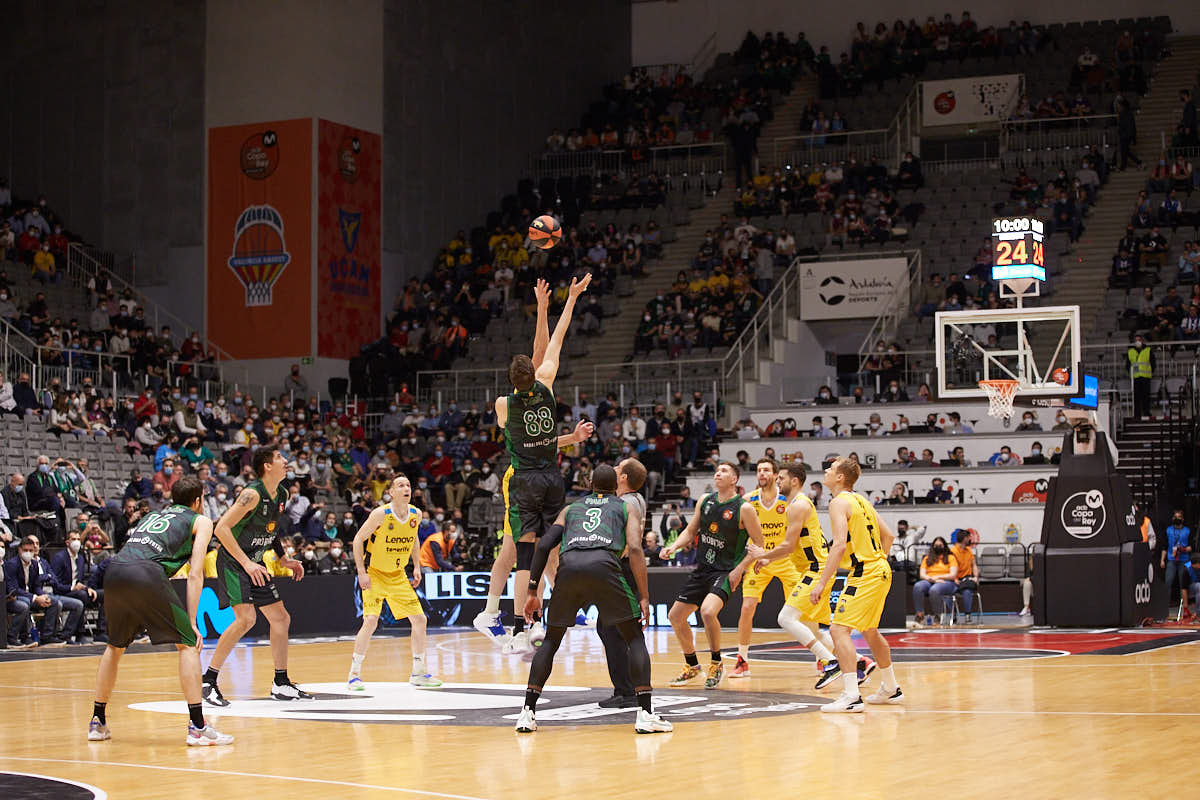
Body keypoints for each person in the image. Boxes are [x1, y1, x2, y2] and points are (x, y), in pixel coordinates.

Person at [473, 276, 593, 655]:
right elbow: (552, 344)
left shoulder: (504, 406)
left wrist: (542, 306)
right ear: (535, 374)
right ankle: (513, 618)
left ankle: (524, 623)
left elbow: (539, 354)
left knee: (527, 552)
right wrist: (566, 300)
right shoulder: (547, 384)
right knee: (532, 550)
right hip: (549, 475)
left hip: (524, 477)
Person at [515, 465, 671, 735]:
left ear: (590, 483)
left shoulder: (570, 509)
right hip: (604, 566)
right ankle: (645, 714)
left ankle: (527, 712)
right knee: (634, 637)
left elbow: (542, 546)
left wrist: (531, 592)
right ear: (615, 486)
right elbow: (634, 547)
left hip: (570, 567)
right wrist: (644, 596)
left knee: (551, 641)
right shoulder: (625, 507)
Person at [87, 477, 233, 746]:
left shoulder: (155, 514)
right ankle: (198, 727)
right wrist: (191, 620)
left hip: (116, 569)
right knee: (188, 644)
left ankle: (98, 721)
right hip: (146, 573)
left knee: (114, 647)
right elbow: (196, 573)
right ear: (198, 500)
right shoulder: (200, 521)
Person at [748, 463, 874, 690]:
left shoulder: (799, 505)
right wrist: (768, 559)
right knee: (813, 628)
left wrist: (763, 554)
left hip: (817, 569)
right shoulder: (795, 505)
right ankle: (859, 662)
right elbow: (792, 546)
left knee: (785, 618)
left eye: (782, 478)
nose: (778, 482)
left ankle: (831, 661)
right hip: (813, 568)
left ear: (794, 481)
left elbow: (787, 545)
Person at [201, 448, 311, 707]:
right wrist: (247, 563)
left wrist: (283, 558)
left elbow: (271, 530)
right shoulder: (251, 494)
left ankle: (281, 682)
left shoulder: (282, 494)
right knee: (246, 619)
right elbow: (221, 529)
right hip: (234, 561)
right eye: (280, 458)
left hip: (255, 562)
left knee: (281, 618)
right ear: (267, 466)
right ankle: (208, 680)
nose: (286, 461)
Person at [807, 457, 903, 712]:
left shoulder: (838, 502)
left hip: (865, 573)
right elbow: (889, 535)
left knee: (838, 630)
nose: (826, 470)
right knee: (870, 630)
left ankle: (851, 696)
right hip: (880, 570)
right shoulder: (863, 501)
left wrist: (821, 584)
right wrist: (878, 559)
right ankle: (891, 689)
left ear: (840, 477)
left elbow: (838, 545)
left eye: (831, 469)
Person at [660, 461, 764, 689]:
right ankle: (692, 666)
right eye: (717, 470)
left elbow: (759, 544)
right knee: (675, 616)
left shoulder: (744, 508)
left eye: (724, 471)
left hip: (726, 571)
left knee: (707, 612)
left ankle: (716, 662)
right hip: (703, 569)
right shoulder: (705, 501)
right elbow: (690, 531)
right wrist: (673, 547)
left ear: (734, 479)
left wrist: (740, 569)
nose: (718, 473)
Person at [347, 474, 442, 690]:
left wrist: (416, 566)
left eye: (408, 484)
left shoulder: (416, 514)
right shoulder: (381, 514)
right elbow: (358, 540)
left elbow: (414, 538)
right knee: (370, 621)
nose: (406, 488)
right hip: (375, 573)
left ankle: (418, 672)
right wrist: (361, 572)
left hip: (398, 575)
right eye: (400, 485)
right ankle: (354, 674)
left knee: (419, 620)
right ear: (391, 492)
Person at [729, 458, 802, 678]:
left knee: (803, 610)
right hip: (757, 560)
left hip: (784, 558)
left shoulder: (787, 499)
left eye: (767, 470)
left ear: (775, 474)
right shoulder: (748, 500)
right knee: (747, 607)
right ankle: (742, 661)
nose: (762, 473)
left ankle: (822, 659)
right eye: (759, 470)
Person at [913, 537, 958, 626]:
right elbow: (922, 574)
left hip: (947, 582)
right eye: (936, 545)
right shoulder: (926, 558)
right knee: (918, 586)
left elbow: (953, 574)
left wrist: (938, 577)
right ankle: (920, 614)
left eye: (940, 545)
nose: (938, 547)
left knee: (934, 590)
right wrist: (931, 579)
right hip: (930, 580)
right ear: (932, 547)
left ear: (944, 546)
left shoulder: (951, 557)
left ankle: (938, 615)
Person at [1163, 511, 1192, 618]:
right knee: (1168, 582)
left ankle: (1185, 608)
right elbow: (1165, 546)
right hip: (1171, 559)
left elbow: (1191, 547)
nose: (1177, 518)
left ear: (1182, 519)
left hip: (1184, 559)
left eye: (1179, 517)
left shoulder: (1187, 531)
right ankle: (1164, 607)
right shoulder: (1168, 530)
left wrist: (1183, 549)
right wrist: (1162, 560)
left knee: (1183, 584)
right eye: (1175, 517)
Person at [950, 534, 979, 619]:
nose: (970, 539)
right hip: (956, 579)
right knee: (948, 591)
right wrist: (954, 579)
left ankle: (967, 614)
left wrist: (976, 576)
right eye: (969, 538)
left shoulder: (969, 550)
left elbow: (974, 565)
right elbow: (950, 567)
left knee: (967, 590)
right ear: (964, 539)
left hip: (967, 578)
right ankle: (953, 613)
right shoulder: (953, 551)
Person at [1128, 334, 1154, 418]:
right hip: (1136, 377)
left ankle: (1146, 412)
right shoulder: (1131, 351)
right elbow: (1128, 365)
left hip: (1145, 377)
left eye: (1139, 340)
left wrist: (1150, 371)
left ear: (1142, 341)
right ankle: (1137, 414)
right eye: (1136, 340)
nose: (1137, 342)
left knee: (1146, 396)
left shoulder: (1148, 350)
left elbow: (1153, 363)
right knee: (1136, 397)